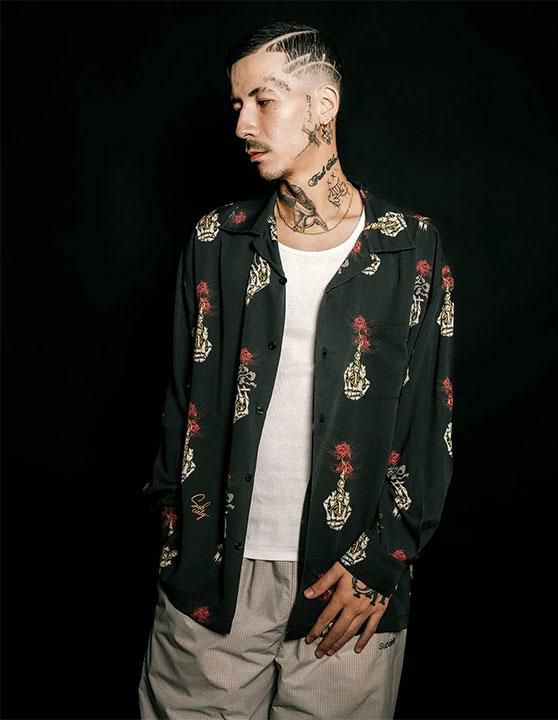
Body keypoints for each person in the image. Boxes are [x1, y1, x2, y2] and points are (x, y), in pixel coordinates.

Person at [138, 18, 455, 720]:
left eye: (264, 100)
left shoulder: (411, 248)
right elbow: (180, 403)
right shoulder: (216, 241)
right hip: (212, 576)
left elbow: (429, 424)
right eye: (236, 105)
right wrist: (177, 540)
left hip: (347, 585)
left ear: (323, 104)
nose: (243, 124)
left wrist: (383, 563)